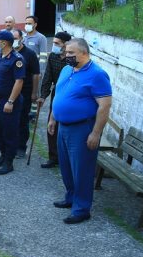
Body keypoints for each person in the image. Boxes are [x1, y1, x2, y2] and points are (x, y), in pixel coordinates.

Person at [48, 38, 112, 224]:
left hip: (82, 128)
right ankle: (70, 197)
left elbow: (104, 106)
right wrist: (53, 118)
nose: (66, 56)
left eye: (70, 53)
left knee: (81, 169)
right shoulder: (67, 69)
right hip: (63, 126)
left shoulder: (97, 74)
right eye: (66, 52)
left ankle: (82, 208)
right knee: (66, 166)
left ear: (84, 53)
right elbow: (58, 95)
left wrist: (96, 133)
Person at [0, 30, 25, 175]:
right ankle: (3, 155)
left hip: (9, 101)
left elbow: (19, 81)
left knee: (9, 132)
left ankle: (9, 162)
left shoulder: (17, 59)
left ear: (4, 42)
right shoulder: (0, 56)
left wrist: (10, 101)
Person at [37, 31, 72, 168]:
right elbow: (48, 77)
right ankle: (53, 157)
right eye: (54, 43)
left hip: (70, 97)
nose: (54, 45)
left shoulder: (72, 59)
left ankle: (67, 158)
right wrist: (43, 96)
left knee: (66, 127)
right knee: (51, 126)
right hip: (56, 96)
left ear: (66, 44)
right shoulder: (53, 57)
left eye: (57, 43)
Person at [10, 29, 41, 159]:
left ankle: (21, 147)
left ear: (22, 38)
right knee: (10, 120)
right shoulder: (8, 53)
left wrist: (34, 92)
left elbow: (36, 74)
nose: (13, 41)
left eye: (16, 38)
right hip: (9, 92)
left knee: (22, 120)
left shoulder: (30, 54)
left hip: (25, 92)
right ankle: (10, 146)